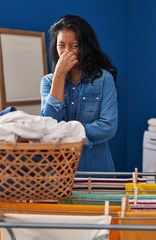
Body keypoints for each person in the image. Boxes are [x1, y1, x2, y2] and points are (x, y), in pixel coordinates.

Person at [40, 15, 118, 173]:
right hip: (59, 173)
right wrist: (59, 76)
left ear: (85, 47)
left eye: (74, 46)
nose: (66, 52)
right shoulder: (48, 82)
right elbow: (48, 126)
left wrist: (66, 131)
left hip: (96, 170)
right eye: (61, 45)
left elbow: (108, 127)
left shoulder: (104, 79)